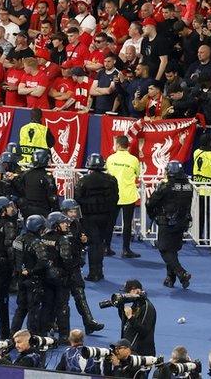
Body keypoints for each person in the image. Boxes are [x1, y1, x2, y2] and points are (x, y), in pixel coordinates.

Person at [146, 161, 194, 288]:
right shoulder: (188, 186)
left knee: (163, 249)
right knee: (172, 250)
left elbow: (150, 203)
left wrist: (153, 215)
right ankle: (170, 279)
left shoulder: (165, 187)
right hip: (182, 222)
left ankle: (181, 273)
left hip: (167, 222)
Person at [61, 199, 104, 333]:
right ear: (65, 212)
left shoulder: (77, 224)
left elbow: (82, 242)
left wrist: (84, 241)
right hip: (61, 268)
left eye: (75, 211)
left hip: (74, 266)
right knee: (61, 299)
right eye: (71, 211)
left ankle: (89, 322)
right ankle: (55, 324)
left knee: (80, 294)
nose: (74, 214)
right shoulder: (57, 225)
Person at [74, 153, 119, 281]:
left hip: (89, 217)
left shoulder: (83, 181)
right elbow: (116, 199)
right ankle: (99, 271)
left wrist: (79, 219)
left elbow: (77, 200)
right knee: (100, 243)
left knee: (93, 245)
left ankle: (94, 273)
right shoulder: (111, 180)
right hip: (106, 217)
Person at [11, 215, 47, 335]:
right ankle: (32, 337)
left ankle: (13, 335)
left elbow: (13, 257)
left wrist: (19, 271)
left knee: (21, 309)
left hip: (20, 279)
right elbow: (43, 261)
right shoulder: (36, 243)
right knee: (33, 310)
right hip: (33, 280)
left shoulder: (18, 239)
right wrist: (31, 271)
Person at [105, 136, 141, 258]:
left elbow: (107, 174)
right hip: (128, 195)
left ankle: (106, 247)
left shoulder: (110, 158)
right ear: (128, 146)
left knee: (110, 222)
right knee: (127, 224)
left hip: (113, 195)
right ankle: (126, 250)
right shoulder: (134, 160)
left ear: (118, 145)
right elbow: (137, 174)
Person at [0, 197, 19, 339]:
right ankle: (5, 333)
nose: (12, 209)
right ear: (2, 211)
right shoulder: (9, 225)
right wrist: (16, 267)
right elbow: (11, 248)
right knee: (2, 300)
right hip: (4, 267)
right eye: (8, 207)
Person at [40, 211, 74, 339]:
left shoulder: (43, 237)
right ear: (56, 225)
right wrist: (69, 273)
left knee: (46, 305)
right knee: (62, 307)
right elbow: (67, 259)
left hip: (45, 277)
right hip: (60, 278)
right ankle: (64, 336)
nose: (66, 225)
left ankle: (44, 334)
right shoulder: (63, 239)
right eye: (63, 222)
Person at [191, 133, 211, 241]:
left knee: (200, 215)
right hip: (210, 190)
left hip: (198, 189)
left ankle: (198, 237)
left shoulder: (196, 153)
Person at [13, 148, 59, 218]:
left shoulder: (25, 174)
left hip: (27, 210)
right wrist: (56, 210)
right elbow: (52, 197)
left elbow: (20, 190)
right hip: (43, 211)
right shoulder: (47, 177)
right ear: (44, 160)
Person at [117, 279, 156, 356]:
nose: (126, 294)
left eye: (128, 292)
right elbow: (127, 324)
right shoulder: (136, 303)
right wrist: (120, 306)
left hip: (140, 353)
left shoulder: (147, 307)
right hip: (129, 350)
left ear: (136, 291)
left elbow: (144, 331)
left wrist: (130, 317)